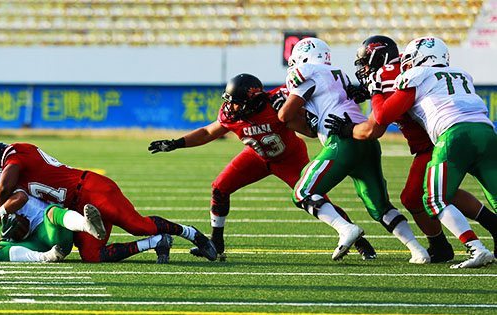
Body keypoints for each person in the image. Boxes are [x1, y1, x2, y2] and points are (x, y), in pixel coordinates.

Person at [148, 73, 376, 261]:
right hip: (257, 156)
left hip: (289, 158)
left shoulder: (277, 100)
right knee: (219, 187)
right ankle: (216, 244)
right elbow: (209, 132)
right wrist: (176, 143)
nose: (230, 106)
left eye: (235, 101)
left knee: (315, 197)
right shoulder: (231, 113)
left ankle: (359, 240)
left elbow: (310, 116)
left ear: (253, 98)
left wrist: (294, 112)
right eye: (229, 100)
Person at [325, 35, 497, 263]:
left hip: (441, 140)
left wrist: (347, 129)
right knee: (430, 194)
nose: (364, 67)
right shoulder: (451, 73)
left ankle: (466, 244)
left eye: (367, 60)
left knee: (427, 196)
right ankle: (447, 243)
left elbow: (373, 128)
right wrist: (369, 92)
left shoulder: (394, 72)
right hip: (478, 130)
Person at [277, 37, 430, 263]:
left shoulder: (306, 70)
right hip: (364, 138)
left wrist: (290, 119)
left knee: (303, 192)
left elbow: (285, 115)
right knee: (380, 206)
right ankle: (417, 249)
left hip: (342, 140)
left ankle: (345, 228)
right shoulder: (340, 73)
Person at [0, 142, 216, 263]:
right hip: (75, 206)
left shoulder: (17, 153)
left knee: (138, 225)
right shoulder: (17, 176)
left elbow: (5, 188)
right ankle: (157, 242)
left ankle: (192, 234)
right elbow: (16, 198)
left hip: (91, 189)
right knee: (92, 256)